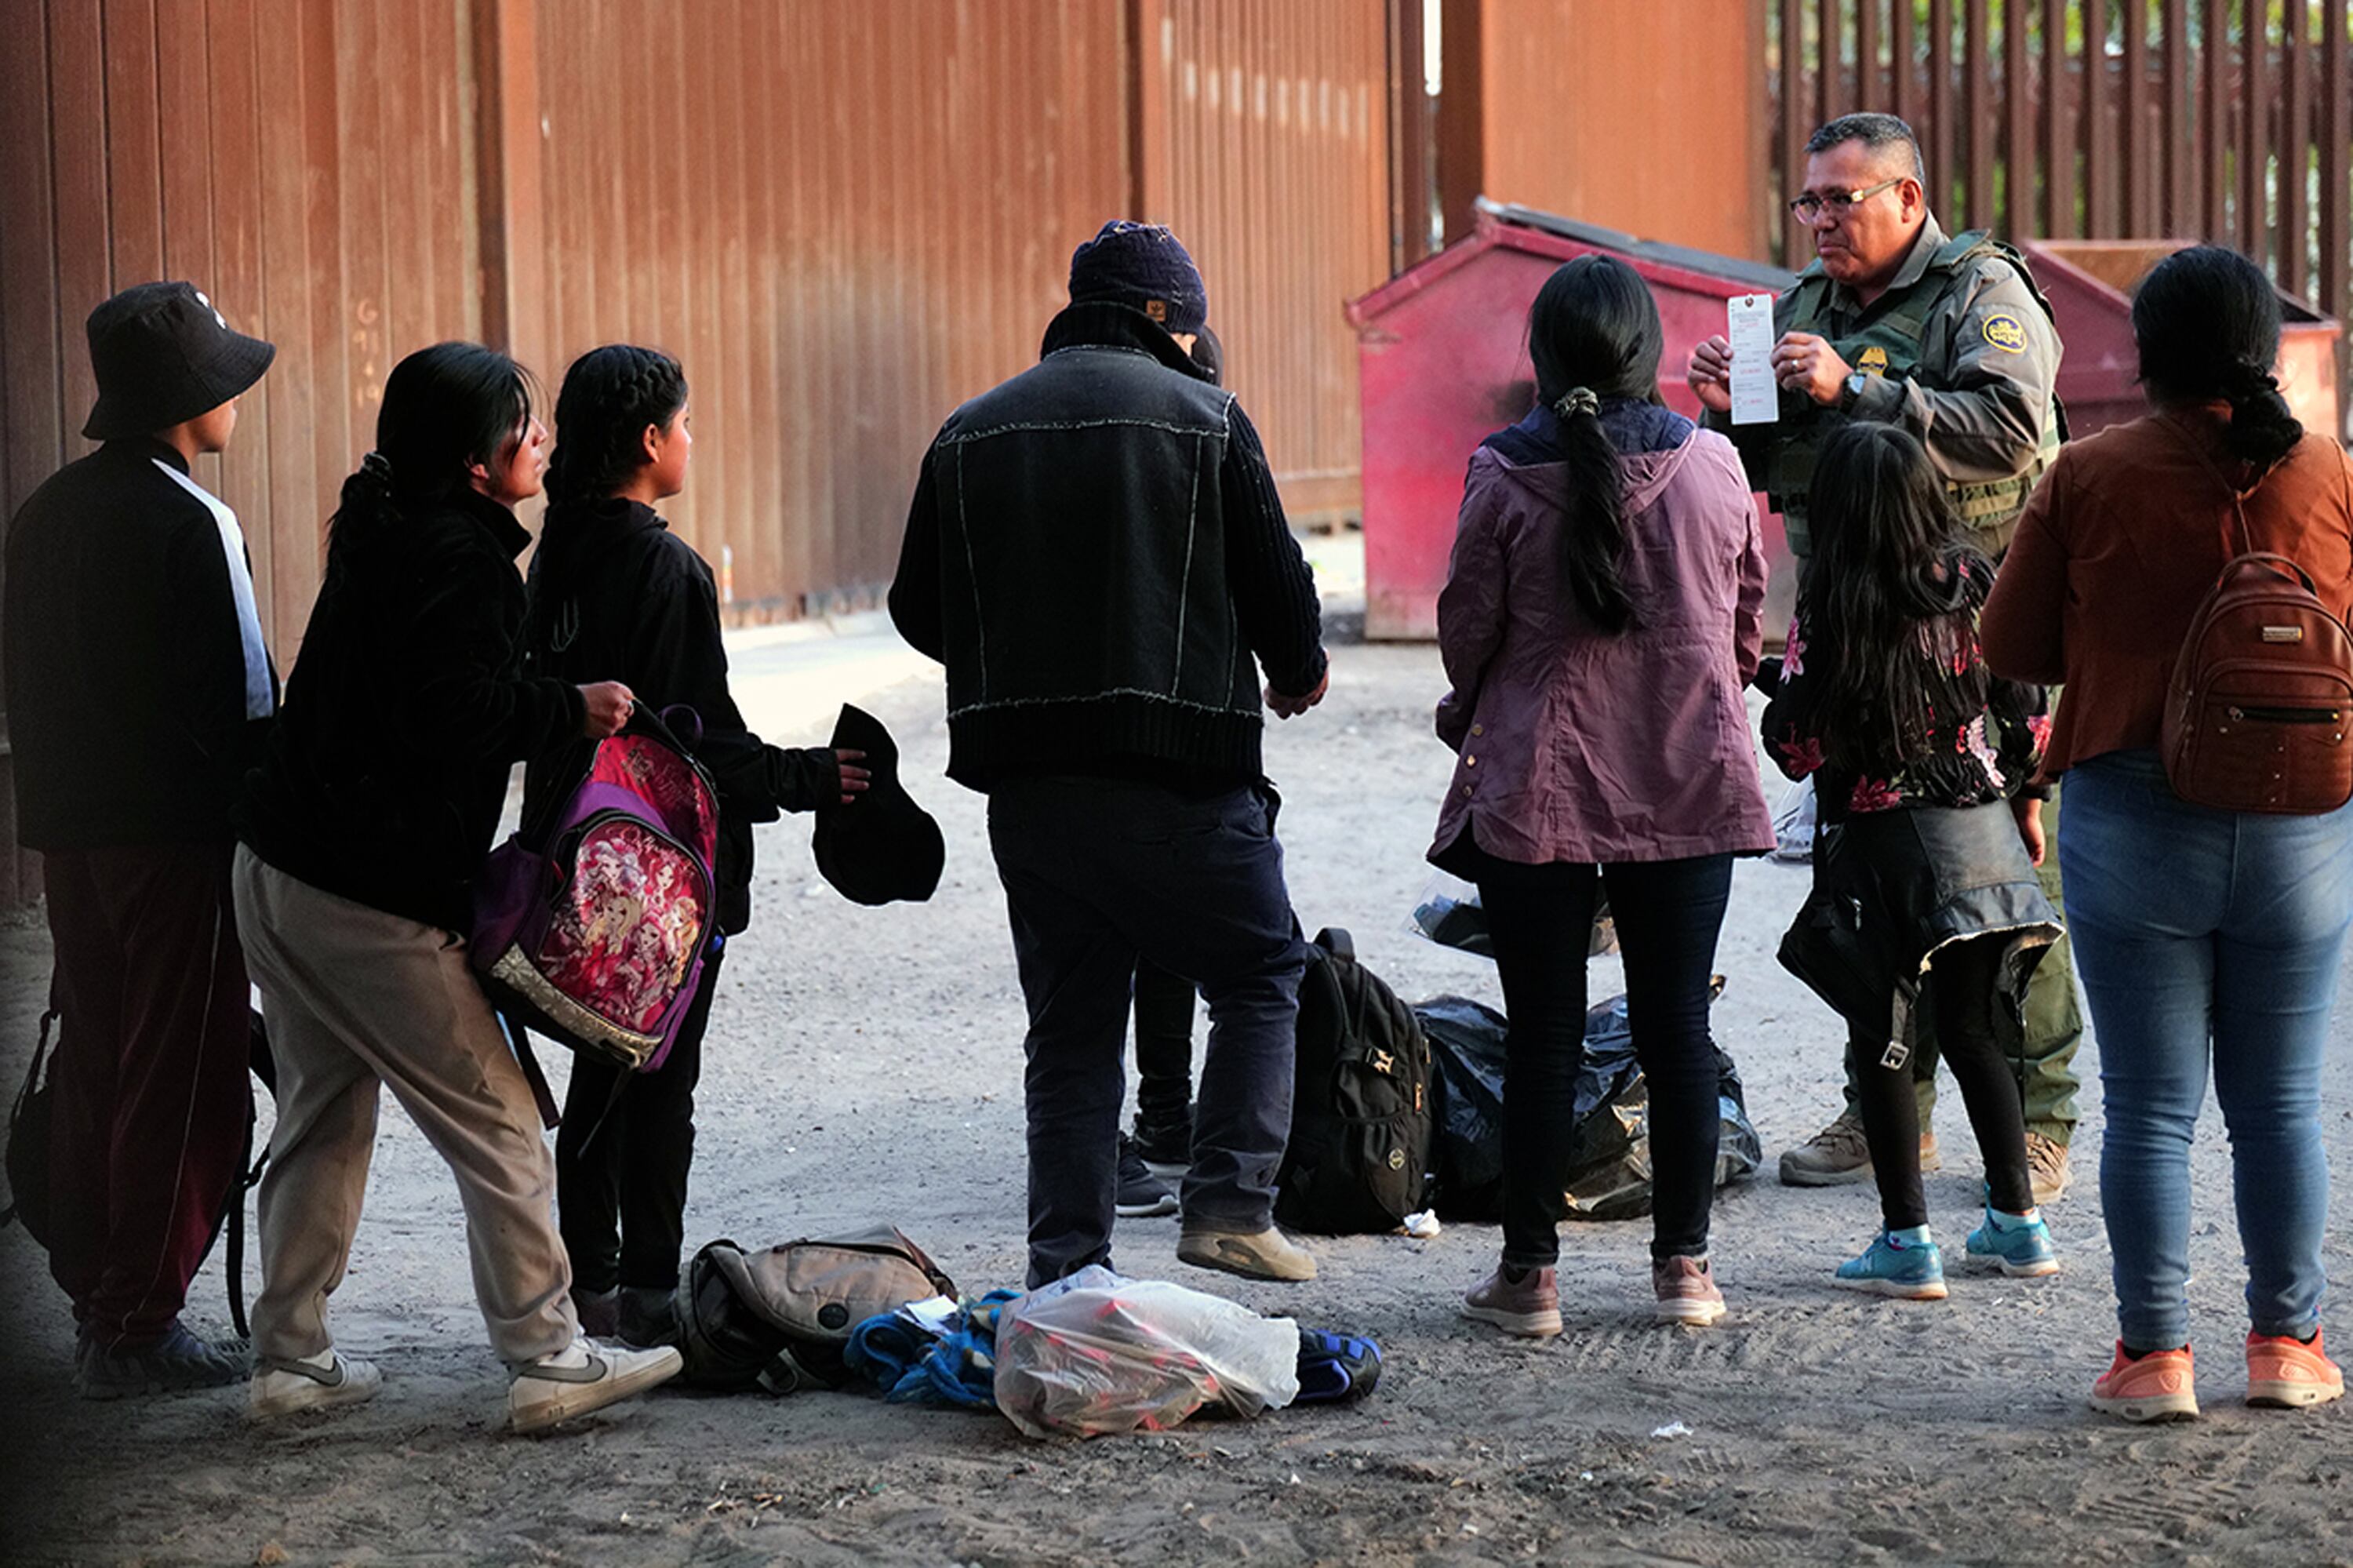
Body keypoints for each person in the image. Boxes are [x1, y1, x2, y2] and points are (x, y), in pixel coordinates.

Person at [232, 341, 681, 1431]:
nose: (538, 442)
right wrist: (567, 708)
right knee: (504, 1119)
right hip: (365, 897)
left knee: (323, 1111)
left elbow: (420, 695)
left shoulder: (389, 532)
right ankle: (546, 1354)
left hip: (277, 872)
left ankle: (289, 1356)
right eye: (518, 428)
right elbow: (453, 713)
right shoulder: (460, 557)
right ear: (476, 465)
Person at [889, 220, 1329, 1290]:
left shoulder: (968, 430)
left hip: (1031, 792)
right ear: (1165, 318)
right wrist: (1295, 670)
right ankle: (1228, 1200)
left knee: (1073, 1030)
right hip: (1181, 775)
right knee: (1264, 970)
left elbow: (916, 606)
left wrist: (1020, 658)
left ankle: (1068, 1264)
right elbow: (1282, 597)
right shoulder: (1208, 417)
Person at [1982, 246, 2353, 1420]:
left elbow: (2012, 645)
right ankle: (2287, 1344)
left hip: (2134, 812)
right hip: (2298, 820)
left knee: (2149, 1103)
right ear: (2260, 347)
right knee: (2282, 1102)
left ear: (2149, 355)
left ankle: (2154, 1360)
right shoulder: (2331, 473)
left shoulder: (2090, 474)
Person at [1687, 110, 2082, 1204]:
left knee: (2001, 881)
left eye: (1840, 198)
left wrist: (1856, 389)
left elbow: (2013, 428)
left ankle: (2039, 1116)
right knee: (1864, 883)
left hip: (1979, 630)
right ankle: (1885, 1109)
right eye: (1808, 198)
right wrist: (1727, 409)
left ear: (1906, 198)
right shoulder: (1805, 307)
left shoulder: (1978, 291)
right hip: (1852, 635)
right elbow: (1765, 467)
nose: (1818, 219)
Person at [1432, 254, 1773, 1333]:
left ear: (1542, 355)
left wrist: (1484, 703)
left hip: (1540, 779)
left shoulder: (1500, 469)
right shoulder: (1715, 464)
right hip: (1686, 769)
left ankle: (1529, 1278)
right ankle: (1686, 1271)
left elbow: (1465, 632)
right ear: (1647, 352)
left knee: (1542, 1032)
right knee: (1677, 1028)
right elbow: (1744, 626)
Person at [523, 344, 870, 1345]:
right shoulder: (665, 566)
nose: (691, 440)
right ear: (648, 440)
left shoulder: (557, 550)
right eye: (685, 423)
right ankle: (644, 1293)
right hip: (663, 876)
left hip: (571, 859)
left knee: (599, 1074)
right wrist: (812, 777)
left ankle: (590, 1287)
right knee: (659, 1082)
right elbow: (699, 744)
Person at [3, 282, 277, 1398]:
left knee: (101, 1056)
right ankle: (136, 1323)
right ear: (187, 399)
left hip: (72, 843)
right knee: (186, 1070)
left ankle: (97, 1297)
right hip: (176, 842)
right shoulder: (197, 522)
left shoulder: (42, 514)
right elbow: (248, 712)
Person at [1762, 421, 2062, 1300]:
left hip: (1884, 845)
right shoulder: (1976, 578)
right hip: (1981, 834)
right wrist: (2027, 802)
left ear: (1842, 509)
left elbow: (1799, 745)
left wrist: (1775, 693)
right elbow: (2030, 710)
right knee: (1976, 1032)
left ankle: (1908, 1241)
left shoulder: (1837, 597)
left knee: (1882, 1040)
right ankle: (2018, 1224)